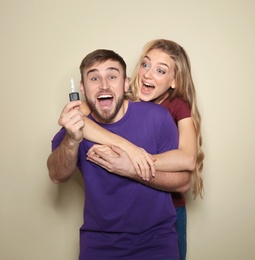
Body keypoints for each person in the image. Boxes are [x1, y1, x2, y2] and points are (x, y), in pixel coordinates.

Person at [47, 49, 191, 259]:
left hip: (157, 242)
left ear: (125, 83)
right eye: (94, 78)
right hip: (99, 245)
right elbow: (56, 175)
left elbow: (183, 182)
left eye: (112, 76)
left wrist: (130, 169)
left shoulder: (158, 117)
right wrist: (72, 139)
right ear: (82, 88)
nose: (104, 85)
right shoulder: (74, 126)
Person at [83, 39, 204, 260]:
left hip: (170, 209)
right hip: (125, 219)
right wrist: (127, 147)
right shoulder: (124, 99)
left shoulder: (178, 106)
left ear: (174, 81)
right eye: (145, 65)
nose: (148, 74)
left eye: (160, 70)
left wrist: (134, 160)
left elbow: (187, 159)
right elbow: (79, 118)